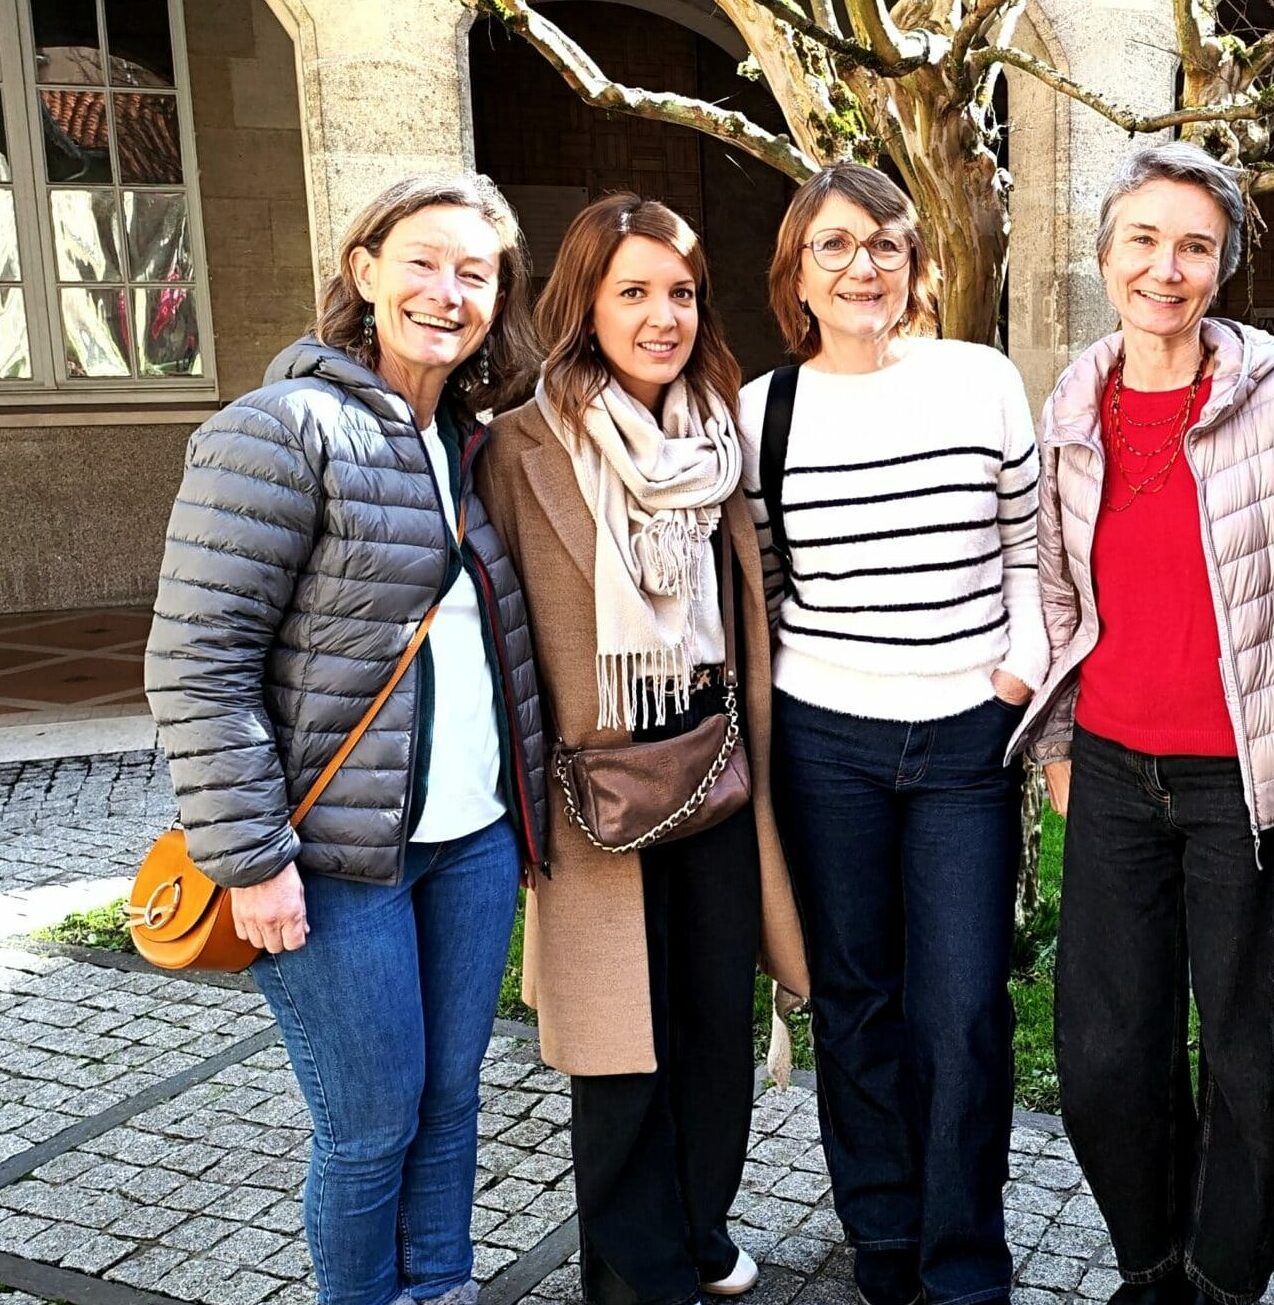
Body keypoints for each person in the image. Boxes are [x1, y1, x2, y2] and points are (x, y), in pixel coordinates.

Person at [145, 174, 547, 1305]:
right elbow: (197, 661)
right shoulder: (280, 429)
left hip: (467, 842)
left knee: (451, 1101)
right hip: (327, 860)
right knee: (369, 1127)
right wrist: (255, 861)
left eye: (476, 273)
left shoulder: (465, 444)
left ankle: (442, 1288)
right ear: (363, 270)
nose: (448, 291)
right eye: (423, 260)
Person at [475, 193, 809, 1305]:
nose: (661, 316)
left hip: (711, 764)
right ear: (585, 305)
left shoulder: (717, 439)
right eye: (633, 292)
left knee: (714, 1027)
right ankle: (631, 1272)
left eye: (680, 293)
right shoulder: (520, 449)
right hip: (592, 791)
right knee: (622, 1047)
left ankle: (701, 1231)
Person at [1008, 139, 1274, 1305]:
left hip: (1244, 782)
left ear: (1222, 266)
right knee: (1103, 1057)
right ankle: (1152, 1263)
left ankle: (1223, 1278)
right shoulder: (1073, 397)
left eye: (1193, 245)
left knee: (1251, 1061)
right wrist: (1053, 746)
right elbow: (1052, 581)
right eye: (1143, 240)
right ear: (1105, 255)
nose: (1166, 267)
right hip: (1110, 774)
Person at [739, 161, 1048, 1305]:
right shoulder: (761, 413)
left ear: (915, 266)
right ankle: (883, 1235)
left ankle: (965, 1259)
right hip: (828, 747)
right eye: (833, 246)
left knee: (963, 1009)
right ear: (797, 274)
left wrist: (1016, 673)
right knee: (855, 999)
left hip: (966, 742)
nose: (861, 265)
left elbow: (1027, 544)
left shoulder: (979, 382)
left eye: (883, 244)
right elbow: (763, 583)